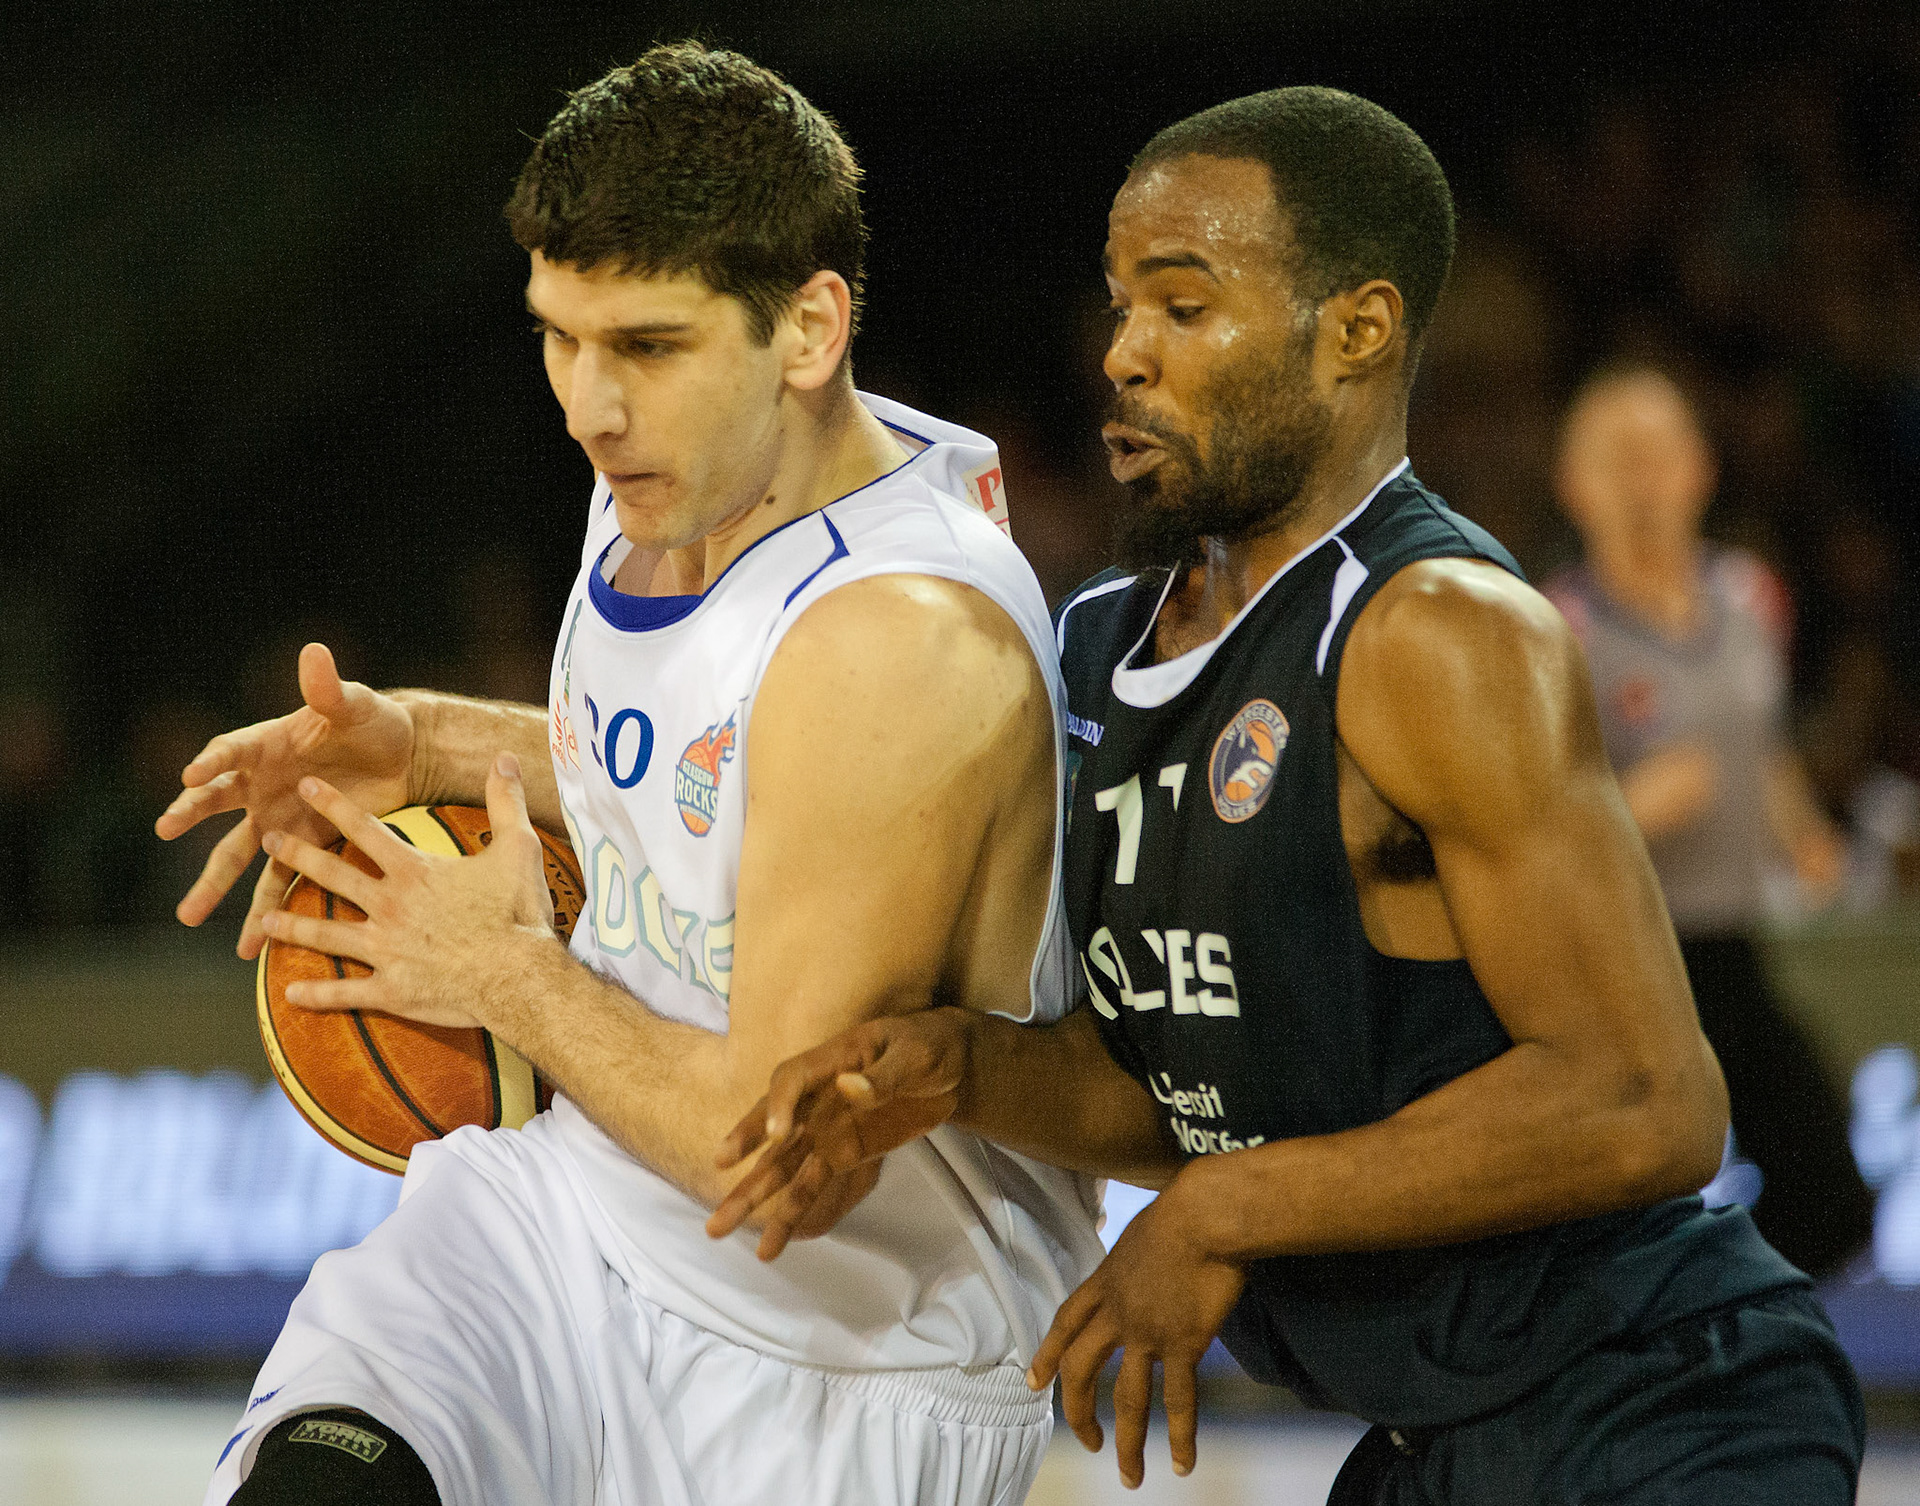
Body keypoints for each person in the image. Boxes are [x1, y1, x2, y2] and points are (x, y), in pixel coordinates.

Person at [709, 87, 1866, 1503]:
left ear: (1357, 330)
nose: (1124, 353)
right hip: (1434, 1432)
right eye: (1120, 304)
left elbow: (1646, 1098)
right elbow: (1188, 1088)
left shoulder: (1439, 631)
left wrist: (1226, 1208)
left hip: (1659, 1398)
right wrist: (956, 1065)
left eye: (1184, 308)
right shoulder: (1098, 643)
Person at [156, 43, 1104, 1506]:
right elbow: (700, 779)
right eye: (558, 336)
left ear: (808, 329)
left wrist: (508, 976)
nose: (588, 406)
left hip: (840, 1353)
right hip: (563, 1222)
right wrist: (418, 736)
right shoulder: (686, 468)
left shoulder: (903, 641)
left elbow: (769, 1152)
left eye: (643, 347)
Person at [1545, 363, 1875, 1279]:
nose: (1645, 480)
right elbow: (1528, 825)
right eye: (1620, 459)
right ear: (1575, 483)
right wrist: (1633, 806)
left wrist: (1804, 833)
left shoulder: (1751, 597)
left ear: (1701, 469)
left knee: (1829, 1192)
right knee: (1620, 1200)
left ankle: (1723, 1320)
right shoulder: (1554, 629)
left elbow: (1760, 747)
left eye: (1661, 455)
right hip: (1615, 963)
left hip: (1733, 942)